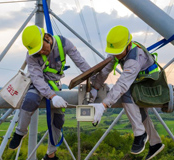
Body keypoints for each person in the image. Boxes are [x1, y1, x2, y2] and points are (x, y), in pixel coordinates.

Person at [9, 25, 92, 160]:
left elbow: (80, 62)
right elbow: (36, 78)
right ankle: (20, 132)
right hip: (38, 84)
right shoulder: (31, 54)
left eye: (42, 48)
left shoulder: (63, 43)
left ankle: (51, 154)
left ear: (47, 38)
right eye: (38, 51)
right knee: (30, 100)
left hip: (55, 84)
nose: (41, 52)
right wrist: (52, 96)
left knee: (58, 120)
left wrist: (93, 79)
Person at [89, 25, 165, 160]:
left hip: (150, 84)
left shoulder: (134, 60)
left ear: (128, 45)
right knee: (139, 111)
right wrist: (95, 87)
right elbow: (105, 70)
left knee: (126, 95)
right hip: (137, 82)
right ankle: (155, 143)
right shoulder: (118, 49)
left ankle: (139, 134)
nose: (116, 55)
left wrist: (104, 105)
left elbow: (123, 84)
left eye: (119, 52)